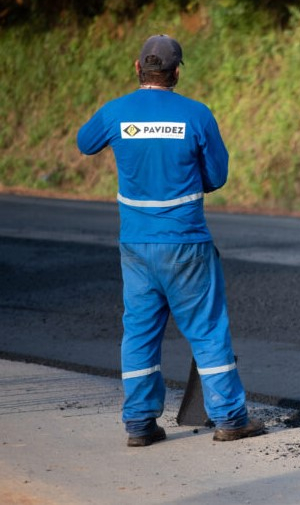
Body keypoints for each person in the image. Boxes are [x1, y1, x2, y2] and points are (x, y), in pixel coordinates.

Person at [76, 34, 265, 447]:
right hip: (186, 244)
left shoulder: (116, 113)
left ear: (137, 67)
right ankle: (230, 419)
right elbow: (216, 176)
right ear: (177, 72)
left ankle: (140, 425)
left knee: (140, 334)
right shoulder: (196, 115)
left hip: (137, 247)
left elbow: (85, 142)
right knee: (208, 330)